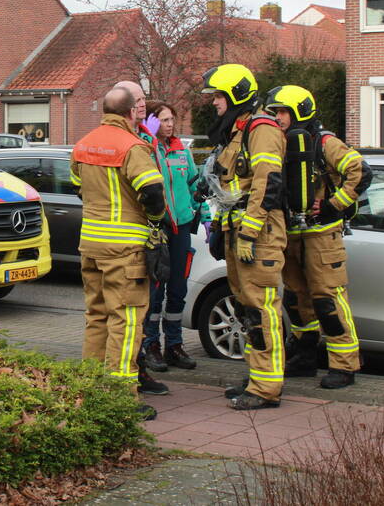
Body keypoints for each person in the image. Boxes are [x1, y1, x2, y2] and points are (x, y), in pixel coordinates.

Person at [70, 86, 168, 419]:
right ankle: (120, 397)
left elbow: (78, 186)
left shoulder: (83, 144)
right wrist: (154, 221)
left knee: (96, 315)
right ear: (129, 113)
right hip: (124, 249)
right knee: (125, 320)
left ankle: (90, 388)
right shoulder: (133, 147)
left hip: (90, 244)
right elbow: (152, 192)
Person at [265, 85, 370, 389]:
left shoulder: (325, 143)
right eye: (275, 112)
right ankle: (304, 356)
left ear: (300, 112)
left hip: (322, 235)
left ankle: (344, 365)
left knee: (328, 299)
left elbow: (361, 172)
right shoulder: (280, 143)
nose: (278, 118)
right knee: (297, 299)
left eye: (283, 112)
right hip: (291, 234)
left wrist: (332, 206)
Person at [201, 64, 287, 410]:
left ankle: (266, 388)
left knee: (261, 309)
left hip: (259, 235)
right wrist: (221, 228)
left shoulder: (261, 129)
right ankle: (257, 377)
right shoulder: (239, 130)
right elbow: (231, 189)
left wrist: (249, 233)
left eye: (218, 95)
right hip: (239, 232)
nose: (214, 102)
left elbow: (268, 184)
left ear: (236, 94)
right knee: (246, 307)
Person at [137, 101, 210, 372]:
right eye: (164, 120)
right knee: (156, 292)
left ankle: (174, 345)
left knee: (178, 290)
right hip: (159, 229)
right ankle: (151, 345)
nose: (169, 125)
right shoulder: (146, 149)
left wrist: (205, 216)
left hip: (182, 227)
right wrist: (147, 136)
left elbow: (194, 189)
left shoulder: (182, 151)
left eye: (171, 120)